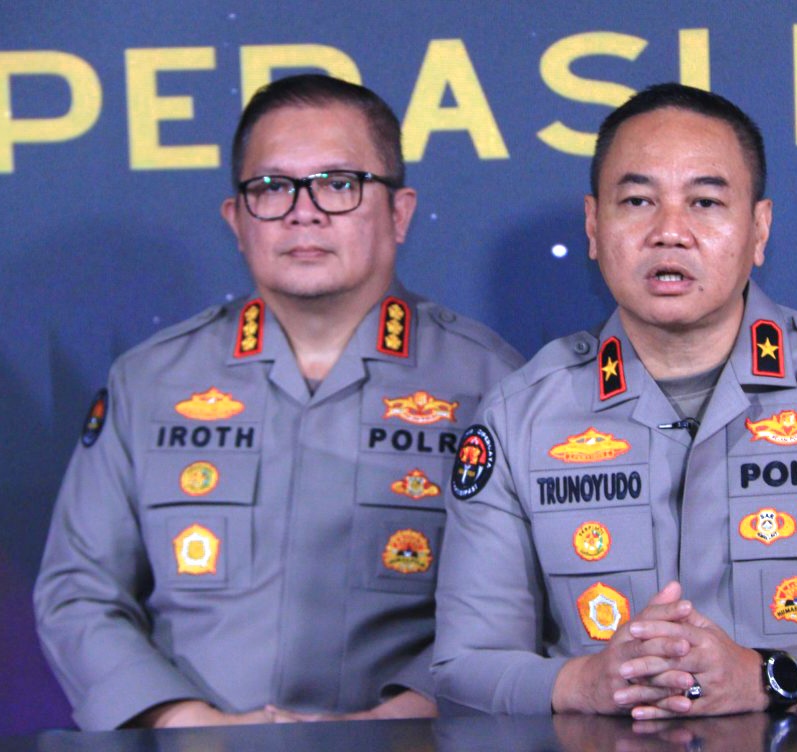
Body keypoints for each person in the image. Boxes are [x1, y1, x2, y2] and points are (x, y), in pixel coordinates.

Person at [433, 83, 797, 719]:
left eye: (705, 201)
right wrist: (585, 684)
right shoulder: (518, 414)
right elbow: (466, 664)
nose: (670, 232)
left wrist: (771, 678)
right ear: (593, 226)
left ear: (758, 229)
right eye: (637, 201)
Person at [34, 74, 523, 731]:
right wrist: (188, 724)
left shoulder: (493, 384)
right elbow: (79, 592)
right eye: (271, 187)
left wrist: (396, 723)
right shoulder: (148, 383)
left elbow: (522, 601)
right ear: (237, 220)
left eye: (339, 184)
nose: (303, 212)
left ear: (399, 213)